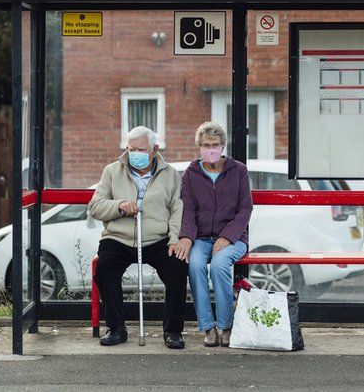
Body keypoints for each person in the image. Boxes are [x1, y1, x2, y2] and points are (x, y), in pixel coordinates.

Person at [88, 126, 188, 349]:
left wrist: (174, 239)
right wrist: (120, 206)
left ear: (154, 149)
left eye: (141, 149)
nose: (135, 154)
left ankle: (172, 330)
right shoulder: (112, 171)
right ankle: (116, 328)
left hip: (157, 238)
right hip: (119, 237)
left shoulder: (170, 174)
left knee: (178, 267)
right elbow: (95, 206)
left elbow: (176, 209)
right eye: (131, 149)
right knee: (105, 269)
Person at [173, 121, 253, 347]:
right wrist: (186, 237)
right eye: (206, 144)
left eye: (215, 144)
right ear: (199, 147)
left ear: (223, 146)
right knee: (195, 265)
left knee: (219, 266)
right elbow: (187, 209)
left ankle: (226, 326)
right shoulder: (191, 174)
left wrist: (227, 237)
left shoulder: (239, 171)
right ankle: (208, 327)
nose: (211, 149)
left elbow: (245, 209)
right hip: (201, 238)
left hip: (233, 238)